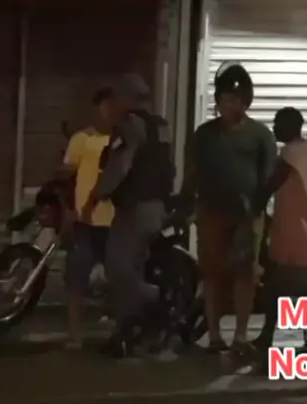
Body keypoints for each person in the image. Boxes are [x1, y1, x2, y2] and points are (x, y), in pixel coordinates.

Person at [181, 64, 277, 355]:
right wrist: (186, 205)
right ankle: (213, 335)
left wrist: (258, 210)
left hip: (248, 216)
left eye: (236, 100)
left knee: (245, 274)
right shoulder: (204, 135)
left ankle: (240, 336)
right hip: (211, 213)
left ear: (246, 101)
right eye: (225, 99)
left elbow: (269, 177)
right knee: (212, 273)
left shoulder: (261, 135)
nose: (230, 105)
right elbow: (192, 173)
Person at [81, 74, 174, 357]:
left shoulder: (130, 125)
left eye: (115, 99)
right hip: (157, 207)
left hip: (134, 209)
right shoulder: (161, 126)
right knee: (133, 267)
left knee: (117, 269)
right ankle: (128, 335)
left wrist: (94, 197)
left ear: (125, 99)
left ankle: (154, 300)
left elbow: (119, 167)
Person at [252, 107, 307, 362]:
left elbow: (272, 183)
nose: (274, 128)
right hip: (306, 234)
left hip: (293, 237)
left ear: (290, 126)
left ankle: (268, 336)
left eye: (278, 123)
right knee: (305, 290)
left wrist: (254, 206)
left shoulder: (290, 153)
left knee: (276, 288)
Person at [59, 88, 116, 350]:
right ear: (96, 109)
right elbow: (67, 178)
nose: (109, 112)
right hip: (86, 221)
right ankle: (74, 335)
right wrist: (69, 210)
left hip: (115, 222)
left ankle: (116, 331)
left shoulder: (122, 140)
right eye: (105, 106)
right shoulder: (82, 139)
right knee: (77, 277)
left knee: (118, 279)